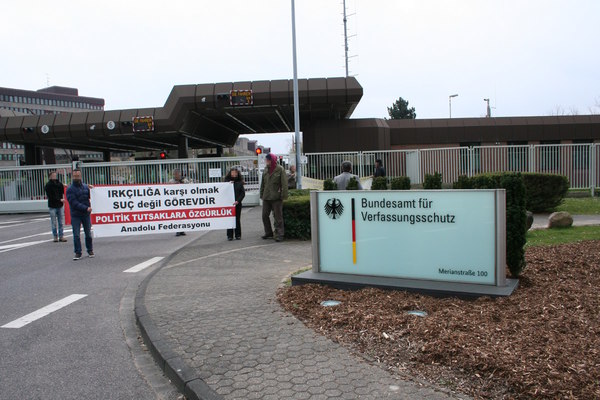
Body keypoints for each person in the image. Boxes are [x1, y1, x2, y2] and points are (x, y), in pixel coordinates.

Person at [260, 153, 288, 242]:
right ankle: (268, 233)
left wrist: (283, 195)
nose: (266, 161)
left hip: (276, 197)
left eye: (267, 160)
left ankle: (279, 234)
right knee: (264, 215)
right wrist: (261, 194)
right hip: (267, 197)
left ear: (272, 160)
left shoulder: (280, 169)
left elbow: (284, 183)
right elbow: (262, 184)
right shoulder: (265, 170)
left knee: (278, 217)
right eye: (266, 160)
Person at [66, 169, 93, 260]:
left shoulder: (85, 187)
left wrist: (93, 190)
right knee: (76, 234)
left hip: (86, 214)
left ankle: (90, 250)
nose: (76, 177)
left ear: (81, 176)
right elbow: (73, 203)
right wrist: (86, 208)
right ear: (72, 176)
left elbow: (92, 196)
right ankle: (78, 252)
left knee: (88, 233)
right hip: (76, 215)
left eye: (78, 175)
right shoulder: (70, 189)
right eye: (75, 176)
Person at [44, 171, 67, 243]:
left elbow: (63, 191)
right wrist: (59, 199)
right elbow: (50, 196)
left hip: (60, 205)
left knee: (61, 222)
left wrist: (65, 186)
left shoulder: (59, 184)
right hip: (52, 205)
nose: (54, 176)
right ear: (50, 176)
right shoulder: (48, 185)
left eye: (55, 175)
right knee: (53, 222)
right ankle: (55, 236)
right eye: (53, 175)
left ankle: (61, 236)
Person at [224, 167, 245, 240]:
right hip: (229, 204)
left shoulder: (240, 182)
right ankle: (229, 235)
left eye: (235, 173)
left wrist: (238, 201)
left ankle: (238, 234)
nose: (234, 174)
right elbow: (223, 192)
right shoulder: (226, 182)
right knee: (229, 219)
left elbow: (242, 193)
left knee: (237, 219)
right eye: (232, 172)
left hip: (237, 204)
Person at [169, 169, 190, 237]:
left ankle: (182, 230)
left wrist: (183, 183)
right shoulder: (171, 181)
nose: (176, 176)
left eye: (177, 174)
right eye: (175, 174)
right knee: (177, 216)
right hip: (175, 201)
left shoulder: (184, 180)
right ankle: (178, 230)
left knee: (183, 216)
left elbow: (189, 187)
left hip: (182, 200)